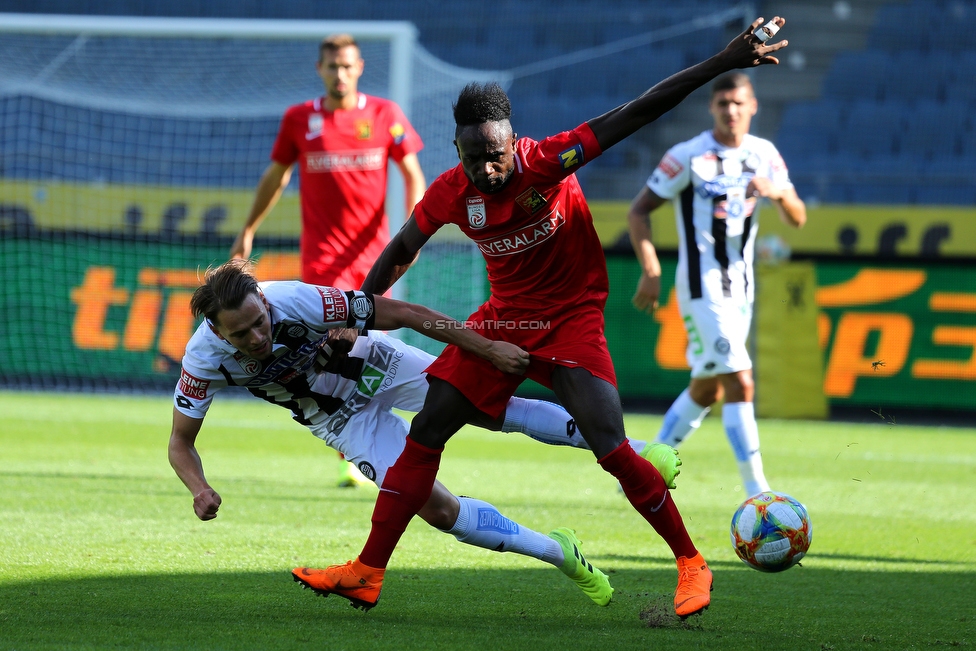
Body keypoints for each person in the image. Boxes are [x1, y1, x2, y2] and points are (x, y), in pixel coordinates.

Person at [295, 18, 789, 619]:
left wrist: (722, 60)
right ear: (457, 151)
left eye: (496, 157)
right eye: (474, 159)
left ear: (513, 143)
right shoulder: (452, 191)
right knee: (427, 432)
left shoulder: (549, 161)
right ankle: (367, 572)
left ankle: (691, 561)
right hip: (502, 321)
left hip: (571, 317)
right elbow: (401, 249)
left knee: (610, 445)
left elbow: (638, 112)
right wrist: (355, 317)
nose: (487, 171)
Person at [167, 260, 674, 609]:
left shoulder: (295, 300)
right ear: (216, 331)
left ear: (262, 299)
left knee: (488, 410)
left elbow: (407, 314)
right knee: (435, 509)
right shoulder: (202, 360)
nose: (257, 338)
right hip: (340, 420)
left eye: (259, 322)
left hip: (376, 364)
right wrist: (199, 488)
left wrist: (484, 348)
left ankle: (634, 452)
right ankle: (559, 552)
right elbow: (180, 443)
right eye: (241, 334)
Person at [229, 33, 427, 488]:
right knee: (328, 358)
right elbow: (275, 178)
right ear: (320, 69)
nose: (339, 74)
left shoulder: (385, 115)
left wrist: (413, 233)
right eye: (331, 66)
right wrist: (248, 228)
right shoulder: (299, 119)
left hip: (375, 261)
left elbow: (413, 173)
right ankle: (352, 454)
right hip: (322, 264)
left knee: (374, 354)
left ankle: (387, 444)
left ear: (359, 69)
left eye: (347, 66)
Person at [626, 72, 807, 497]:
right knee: (741, 381)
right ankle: (759, 493)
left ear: (753, 106)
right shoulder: (688, 156)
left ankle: (642, 475)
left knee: (706, 388)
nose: (730, 111)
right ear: (712, 107)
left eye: (738, 103)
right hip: (702, 287)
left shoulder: (764, 154)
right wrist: (651, 268)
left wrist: (778, 194)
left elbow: (797, 217)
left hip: (741, 288)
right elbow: (639, 210)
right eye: (723, 103)